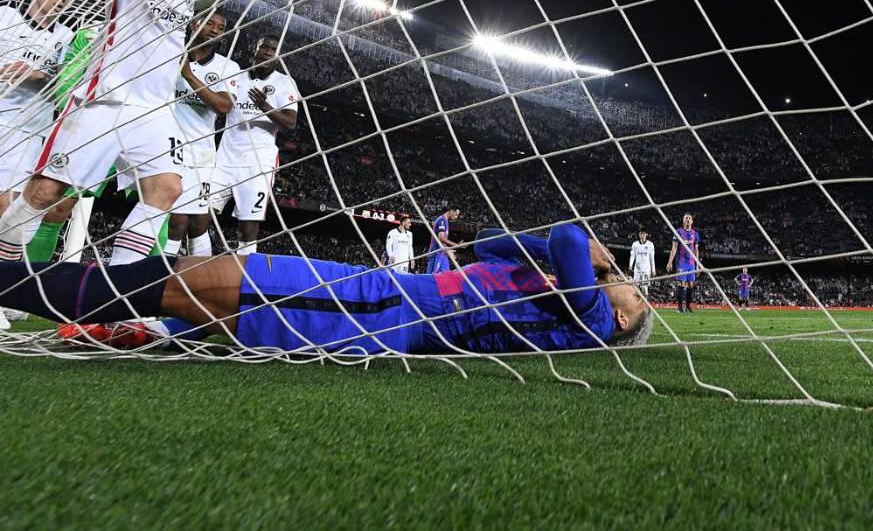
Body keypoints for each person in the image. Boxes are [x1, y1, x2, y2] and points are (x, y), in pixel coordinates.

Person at [0, 224, 654, 354]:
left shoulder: (590, 320)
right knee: (177, 287)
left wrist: (594, 255)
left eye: (636, 299)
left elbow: (570, 237)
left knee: (183, 286)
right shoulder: (563, 290)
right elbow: (485, 240)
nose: (626, 287)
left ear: (623, 323)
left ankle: (15, 283)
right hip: (385, 294)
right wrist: (558, 249)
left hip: (384, 312)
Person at [0, 0, 199, 265]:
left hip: (154, 107)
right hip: (105, 99)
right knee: (46, 193)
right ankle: (5, 266)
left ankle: (111, 305)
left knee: (167, 189)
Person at [210, 35, 299, 256]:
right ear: (254, 48)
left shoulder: (284, 83)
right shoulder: (236, 77)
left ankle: (242, 279)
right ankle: (192, 264)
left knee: (248, 227)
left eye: (274, 49)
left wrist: (264, 106)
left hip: (258, 162)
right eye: (264, 47)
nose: (268, 52)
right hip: (224, 158)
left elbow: (290, 122)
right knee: (198, 214)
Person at [164, 12, 240, 257]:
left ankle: (190, 274)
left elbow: (223, 106)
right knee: (171, 219)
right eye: (209, 23)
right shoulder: (169, 52)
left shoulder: (228, 67)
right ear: (194, 23)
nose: (215, 29)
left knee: (195, 223)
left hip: (199, 153)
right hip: (161, 143)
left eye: (221, 26)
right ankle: (154, 274)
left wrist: (188, 75)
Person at [0, 0, 75, 216]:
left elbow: (67, 86)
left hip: (27, 132)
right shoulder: (4, 16)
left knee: (6, 206)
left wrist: (36, 75)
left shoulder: (67, 37)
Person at [665, 213, 700, 313]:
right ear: (683, 221)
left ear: (692, 221)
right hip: (682, 262)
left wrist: (697, 265)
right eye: (686, 218)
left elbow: (696, 250)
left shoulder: (695, 233)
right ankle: (680, 308)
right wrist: (670, 262)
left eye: (689, 218)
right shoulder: (678, 232)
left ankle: (688, 306)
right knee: (681, 283)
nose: (688, 219)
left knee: (690, 284)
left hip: (691, 263)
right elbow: (674, 247)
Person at [426, 206, 461, 273]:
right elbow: (441, 238)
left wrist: (449, 249)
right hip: (436, 253)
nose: (456, 217)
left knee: (445, 276)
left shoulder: (446, 221)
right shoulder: (441, 220)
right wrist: (456, 245)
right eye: (456, 214)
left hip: (442, 253)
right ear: (451, 211)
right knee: (432, 277)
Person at [628, 228, 655, 294]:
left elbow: (652, 258)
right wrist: (630, 265)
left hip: (646, 269)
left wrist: (653, 270)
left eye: (643, 233)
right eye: (640, 233)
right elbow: (632, 255)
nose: (641, 235)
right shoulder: (635, 244)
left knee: (644, 287)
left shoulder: (650, 244)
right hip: (637, 269)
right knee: (636, 288)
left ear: (646, 234)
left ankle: (645, 301)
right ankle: (637, 303)